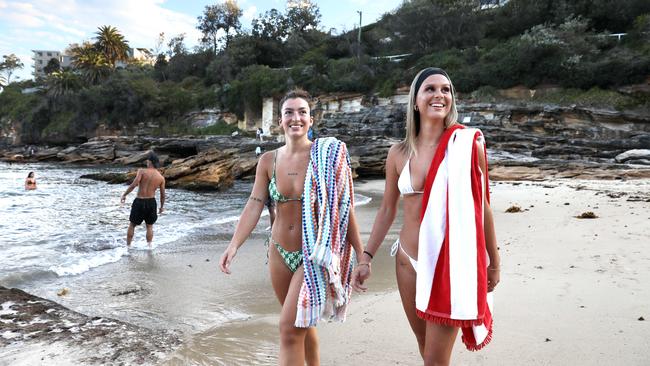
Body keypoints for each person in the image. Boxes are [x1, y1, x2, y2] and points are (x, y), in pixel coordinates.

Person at [351, 68, 500, 365]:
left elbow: (482, 206)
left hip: (450, 265)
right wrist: (366, 257)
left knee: (435, 359)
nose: (439, 95)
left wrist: (493, 262)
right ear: (416, 102)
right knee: (424, 348)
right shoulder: (398, 153)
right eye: (430, 89)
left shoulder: (467, 146)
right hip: (407, 260)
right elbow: (387, 210)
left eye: (446, 90)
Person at [219, 89, 364, 365]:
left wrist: (361, 254)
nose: (295, 117)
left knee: (288, 329)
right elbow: (255, 202)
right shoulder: (268, 161)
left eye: (302, 112)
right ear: (280, 120)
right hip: (278, 253)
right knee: (302, 325)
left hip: (311, 255)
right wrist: (233, 245)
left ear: (311, 119)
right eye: (289, 112)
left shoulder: (325, 156)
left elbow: (343, 208)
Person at [120, 152, 166, 248]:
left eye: (147, 160)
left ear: (149, 161)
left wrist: (124, 195)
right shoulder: (161, 177)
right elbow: (162, 195)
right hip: (151, 202)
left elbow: (134, 184)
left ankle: (128, 247)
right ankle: (149, 247)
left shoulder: (142, 171)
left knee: (132, 225)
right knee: (149, 226)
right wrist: (161, 207)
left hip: (140, 201)